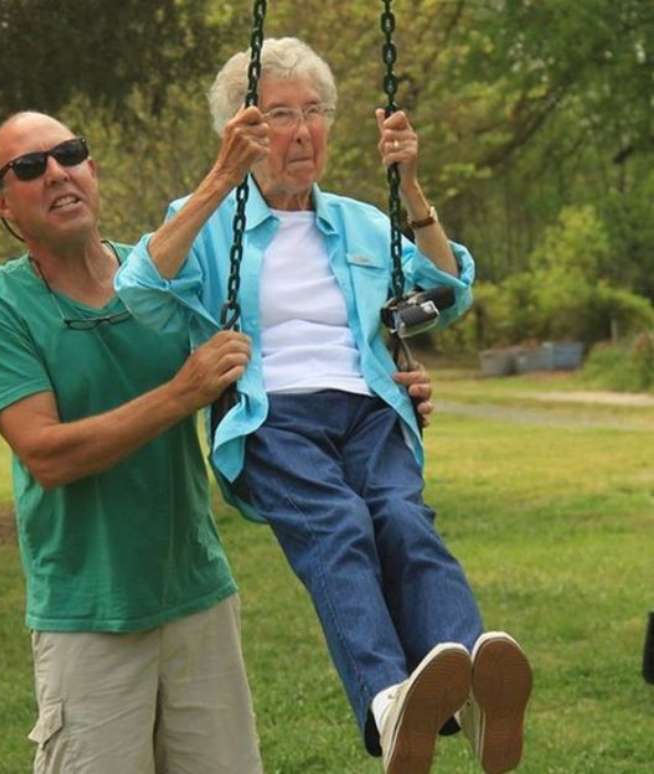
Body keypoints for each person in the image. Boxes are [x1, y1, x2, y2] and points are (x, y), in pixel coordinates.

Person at [0, 109, 436, 773]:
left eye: (71, 152)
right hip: (88, 612)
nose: (57, 173)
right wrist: (183, 392)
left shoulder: (163, 279)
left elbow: (279, 364)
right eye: (30, 167)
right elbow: (48, 454)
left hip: (198, 598)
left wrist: (383, 389)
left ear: (92, 170)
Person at [115, 37, 532, 774]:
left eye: (314, 112)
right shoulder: (210, 218)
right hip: (273, 415)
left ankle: (473, 682)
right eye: (278, 115)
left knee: (404, 520)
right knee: (339, 527)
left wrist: (411, 186)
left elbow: (446, 292)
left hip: (370, 410)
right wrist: (220, 179)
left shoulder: (363, 222)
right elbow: (141, 289)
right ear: (241, 130)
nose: (301, 131)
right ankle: (387, 703)